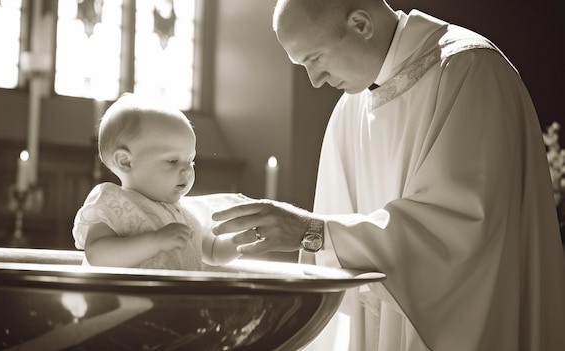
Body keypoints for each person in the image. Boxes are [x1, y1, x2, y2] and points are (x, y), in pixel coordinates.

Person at [211, 0, 565, 350]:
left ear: (361, 24)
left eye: (315, 58)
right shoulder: (349, 109)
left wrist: (312, 232)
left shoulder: (469, 69)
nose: (315, 80)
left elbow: (459, 231)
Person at [72, 93, 249, 270]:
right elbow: (97, 255)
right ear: (125, 162)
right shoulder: (113, 202)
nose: (187, 170)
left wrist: (245, 237)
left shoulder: (186, 212)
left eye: (190, 161)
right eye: (172, 161)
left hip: (174, 297)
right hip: (122, 296)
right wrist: (155, 241)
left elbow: (213, 251)